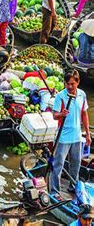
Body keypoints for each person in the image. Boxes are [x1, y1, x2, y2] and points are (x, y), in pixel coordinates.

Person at [50, 70, 90, 198]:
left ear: (78, 82)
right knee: (58, 164)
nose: (70, 86)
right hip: (63, 137)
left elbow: (84, 114)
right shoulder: (60, 97)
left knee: (76, 163)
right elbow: (54, 115)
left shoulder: (82, 95)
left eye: (72, 84)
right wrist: (61, 114)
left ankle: (73, 186)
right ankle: (55, 191)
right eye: (68, 84)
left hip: (77, 136)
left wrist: (88, 134)